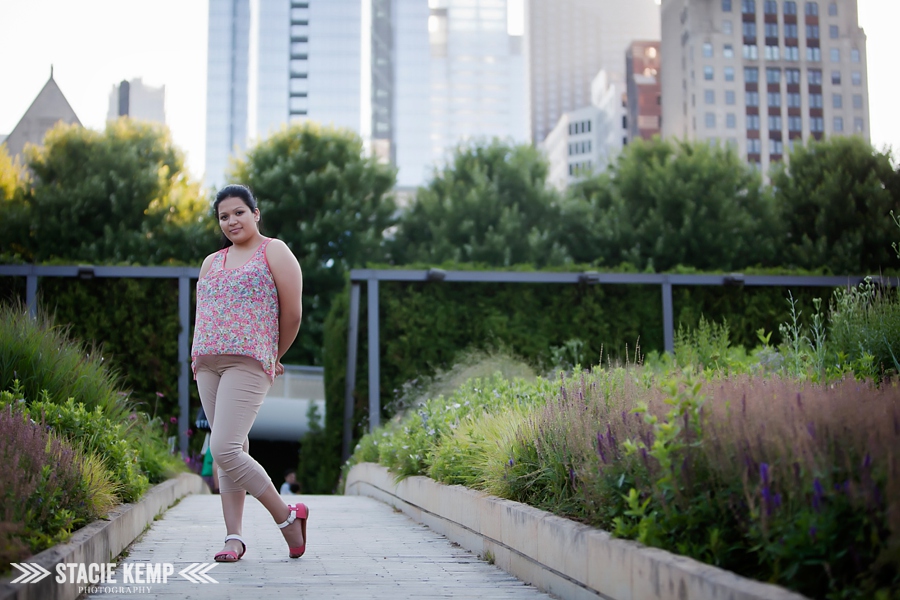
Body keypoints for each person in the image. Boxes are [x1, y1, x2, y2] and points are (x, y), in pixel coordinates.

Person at [191, 184, 309, 563]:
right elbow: (203, 311)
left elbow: (292, 314)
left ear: (255, 213)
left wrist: (274, 354)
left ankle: (286, 516)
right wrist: (197, 356)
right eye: (224, 216)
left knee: (223, 446)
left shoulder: (274, 251)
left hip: (249, 360)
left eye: (239, 212)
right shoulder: (211, 262)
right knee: (232, 449)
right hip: (207, 363)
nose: (231, 221)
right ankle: (233, 538)